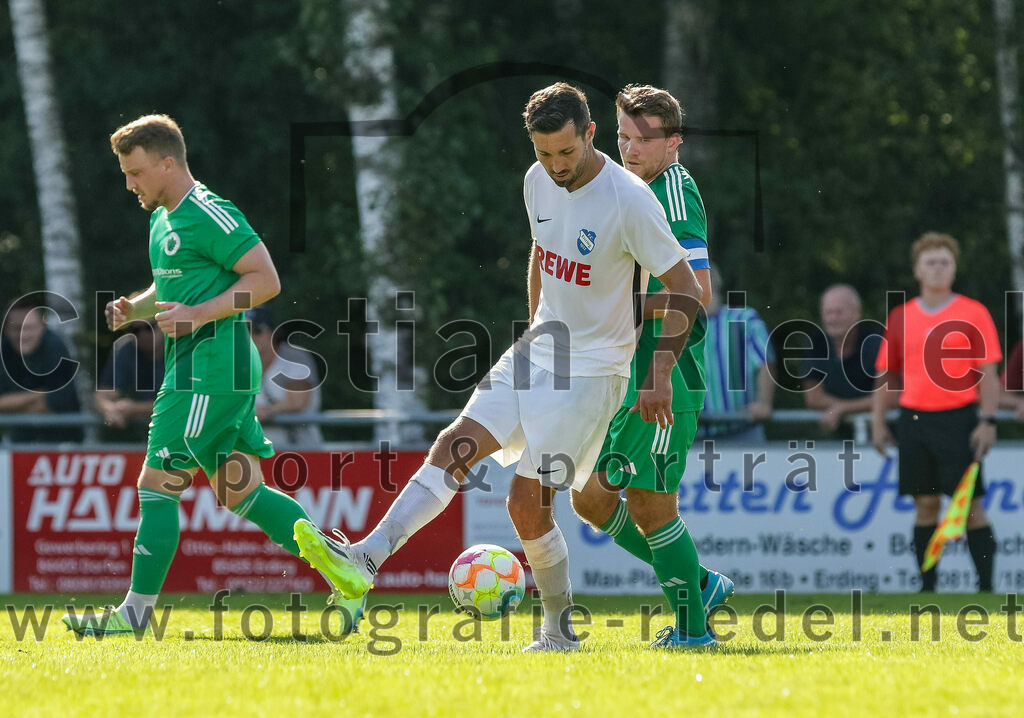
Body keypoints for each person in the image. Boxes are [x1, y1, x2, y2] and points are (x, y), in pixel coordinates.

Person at [293, 82, 703, 652]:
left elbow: (687, 292)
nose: (556, 166)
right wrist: (537, 322)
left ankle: (560, 632)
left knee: (525, 502)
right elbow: (542, 249)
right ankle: (366, 558)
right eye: (544, 154)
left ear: (589, 133)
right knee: (455, 442)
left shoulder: (630, 200)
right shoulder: (537, 181)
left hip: (594, 372)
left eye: (566, 152)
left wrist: (658, 375)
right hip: (541, 350)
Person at [62, 114, 356, 635]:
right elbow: (176, 288)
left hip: (209, 367)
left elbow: (265, 280)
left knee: (156, 485)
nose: (129, 183)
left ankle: (133, 616)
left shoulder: (209, 211)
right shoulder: (162, 220)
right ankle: (348, 574)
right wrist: (137, 309)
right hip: (206, 366)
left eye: (136, 172)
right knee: (240, 493)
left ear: (168, 162)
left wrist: (198, 316)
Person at [569, 84, 727, 649]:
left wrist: (615, 306)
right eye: (622, 137)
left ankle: (692, 630)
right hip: (626, 371)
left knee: (651, 503)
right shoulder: (626, 190)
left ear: (673, 142)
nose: (631, 148)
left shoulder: (674, 194)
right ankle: (701, 585)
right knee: (589, 496)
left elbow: (697, 293)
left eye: (645, 139)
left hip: (667, 372)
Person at [872, 232, 1000, 593]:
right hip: (914, 421)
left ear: (954, 269)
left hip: (960, 420)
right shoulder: (900, 316)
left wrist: (987, 422)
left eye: (945, 262)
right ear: (917, 270)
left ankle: (986, 589)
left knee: (970, 507)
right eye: (931, 262)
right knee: (925, 506)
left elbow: (988, 374)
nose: (938, 268)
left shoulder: (974, 312)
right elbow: (886, 374)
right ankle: (928, 587)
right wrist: (879, 422)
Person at [697, 265, 776, 441]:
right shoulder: (677, 327)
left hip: (742, 430)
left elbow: (765, 362)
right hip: (694, 436)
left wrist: (764, 403)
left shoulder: (743, 319)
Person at [801, 284, 882, 434]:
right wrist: (842, 409)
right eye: (828, 312)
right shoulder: (817, 342)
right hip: (835, 435)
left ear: (856, 313)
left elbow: (889, 396)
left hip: (884, 433)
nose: (833, 318)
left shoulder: (877, 342)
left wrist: (841, 409)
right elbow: (813, 398)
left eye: (839, 312)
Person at [0, 297, 82, 443]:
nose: (23, 335)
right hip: (18, 441)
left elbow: (58, 402)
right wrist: (40, 394)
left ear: (43, 327)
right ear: (6, 329)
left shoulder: (55, 347)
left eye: (29, 328)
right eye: (17, 328)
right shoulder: (3, 349)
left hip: (63, 442)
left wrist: (11, 406)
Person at [248, 307, 323, 449]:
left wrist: (258, 411)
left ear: (273, 332)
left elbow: (297, 402)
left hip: (300, 452)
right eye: (243, 330)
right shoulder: (236, 363)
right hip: (255, 453)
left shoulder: (296, 357)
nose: (250, 336)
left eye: (257, 330)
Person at [94, 317, 165, 439]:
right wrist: (110, 409)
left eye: (149, 327)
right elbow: (102, 394)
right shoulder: (126, 349)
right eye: (135, 329)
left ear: (164, 324)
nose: (143, 334)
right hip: (137, 437)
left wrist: (135, 409)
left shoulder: (181, 350)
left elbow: (183, 401)